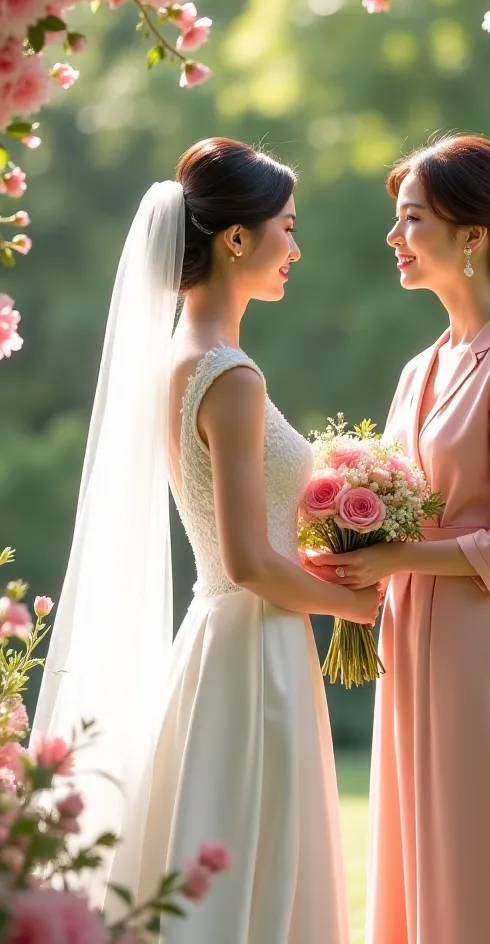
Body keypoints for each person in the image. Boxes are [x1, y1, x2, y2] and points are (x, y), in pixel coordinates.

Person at [31, 137, 379, 943]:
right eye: (286, 229)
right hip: (255, 648)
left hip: (222, 636)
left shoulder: (179, 361)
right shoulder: (230, 377)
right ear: (235, 239)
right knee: (255, 855)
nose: (295, 248)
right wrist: (356, 609)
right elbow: (249, 561)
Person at [307, 134, 490, 944]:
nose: (394, 238)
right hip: (411, 639)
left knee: (482, 845)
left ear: (471, 236)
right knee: (417, 844)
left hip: (480, 641)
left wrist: (393, 557)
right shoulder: (418, 369)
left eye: (411, 219)